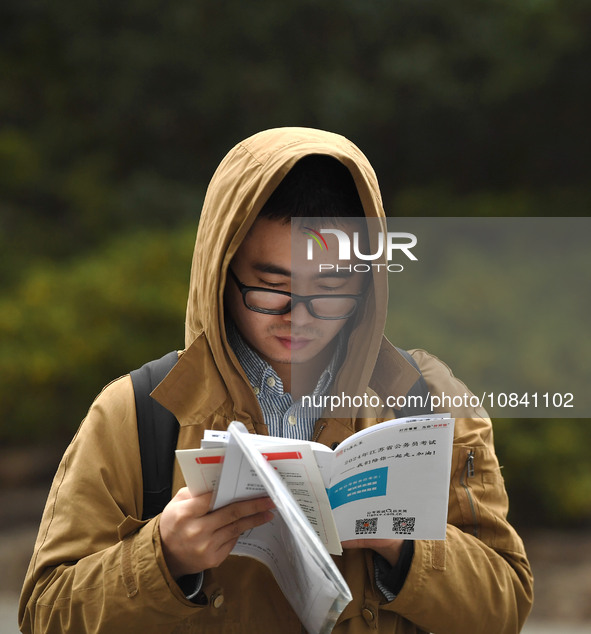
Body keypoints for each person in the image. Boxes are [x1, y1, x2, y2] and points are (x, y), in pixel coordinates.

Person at [19, 127, 533, 633]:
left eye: (331, 286)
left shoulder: (431, 402)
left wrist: (402, 541)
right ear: (222, 273)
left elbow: (505, 604)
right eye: (270, 287)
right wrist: (163, 558)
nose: (299, 316)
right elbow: (44, 613)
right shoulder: (137, 412)